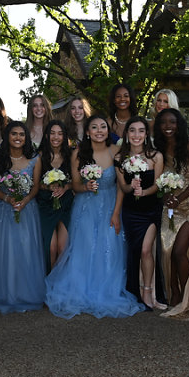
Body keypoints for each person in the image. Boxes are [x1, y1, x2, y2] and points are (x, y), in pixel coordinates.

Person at [45, 115, 144, 319]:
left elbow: (121, 185)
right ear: (88, 132)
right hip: (86, 206)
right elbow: (75, 185)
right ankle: (82, 289)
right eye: (94, 127)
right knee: (86, 247)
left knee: (109, 246)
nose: (99, 131)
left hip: (110, 205)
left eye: (103, 127)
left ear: (108, 131)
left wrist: (116, 213)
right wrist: (86, 187)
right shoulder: (78, 153)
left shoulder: (117, 151)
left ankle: (106, 289)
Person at [0, 121, 45, 313]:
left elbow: (36, 186)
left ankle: (26, 293)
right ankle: (6, 294)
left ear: (26, 138)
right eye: (14, 134)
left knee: (26, 249)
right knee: (6, 251)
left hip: (27, 209)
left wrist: (25, 200)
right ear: (7, 137)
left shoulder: (34, 159)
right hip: (3, 209)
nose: (18, 138)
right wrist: (8, 198)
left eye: (21, 134)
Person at [153, 108, 189, 319]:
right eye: (164, 122)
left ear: (179, 124)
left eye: (172, 122)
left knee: (179, 251)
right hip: (170, 205)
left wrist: (179, 198)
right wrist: (166, 197)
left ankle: (187, 297)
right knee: (167, 250)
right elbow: (158, 180)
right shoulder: (158, 150)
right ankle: (173, 293)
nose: (168, 126)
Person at [115, 117, 164, 309]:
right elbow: (123, 187)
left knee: (146, 250)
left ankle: (149, 292)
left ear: (146, 134)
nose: (137, 135)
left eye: (141, 131)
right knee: (136, 251)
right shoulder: (119, 158)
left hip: (151, 209)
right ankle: (136, 290)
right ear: (127, 134)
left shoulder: (155, 156)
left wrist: (144, 192)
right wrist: (131, 186)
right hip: (131, 211)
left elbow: (158, 185)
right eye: (132, 130)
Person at [34, 120, 74, 272]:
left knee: (63, 248)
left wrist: (66, 187)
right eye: (52, 133)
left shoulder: (71, 155)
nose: (56, 137)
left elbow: (76, 181)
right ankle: (49, 280)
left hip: (65, 204)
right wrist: (47, 186)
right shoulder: (39, 156)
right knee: (51, 248)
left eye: (60, 134)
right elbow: (35, 183)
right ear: (46, 135)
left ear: (64, 136)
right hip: (46, 205)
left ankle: (59, 282)